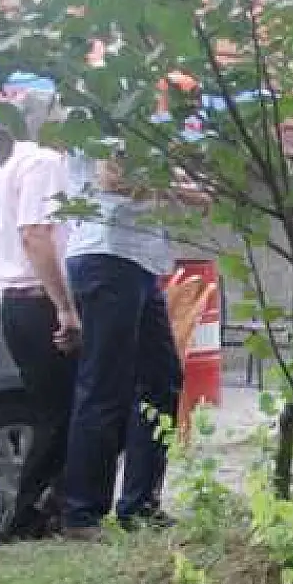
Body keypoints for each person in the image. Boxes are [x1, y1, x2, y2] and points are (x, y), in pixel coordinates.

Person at [57, 145, 208, 540]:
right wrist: (175, 183)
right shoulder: (102, 113)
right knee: (105, 385)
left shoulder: (140, 123)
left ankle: (140, 505)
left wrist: (173, 178)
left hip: (139, 261)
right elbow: (115, 178)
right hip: (106, 257)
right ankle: (83, 514)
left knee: (161, 379)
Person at [0, 87, 80, 539]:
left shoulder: (5, 170)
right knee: (63, 413)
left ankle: (44, 509)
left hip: (16, 302)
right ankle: (31, 515)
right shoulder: (44, 163)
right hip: (37, 300)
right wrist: (65, 307)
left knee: (53, 411)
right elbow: (36, 236)